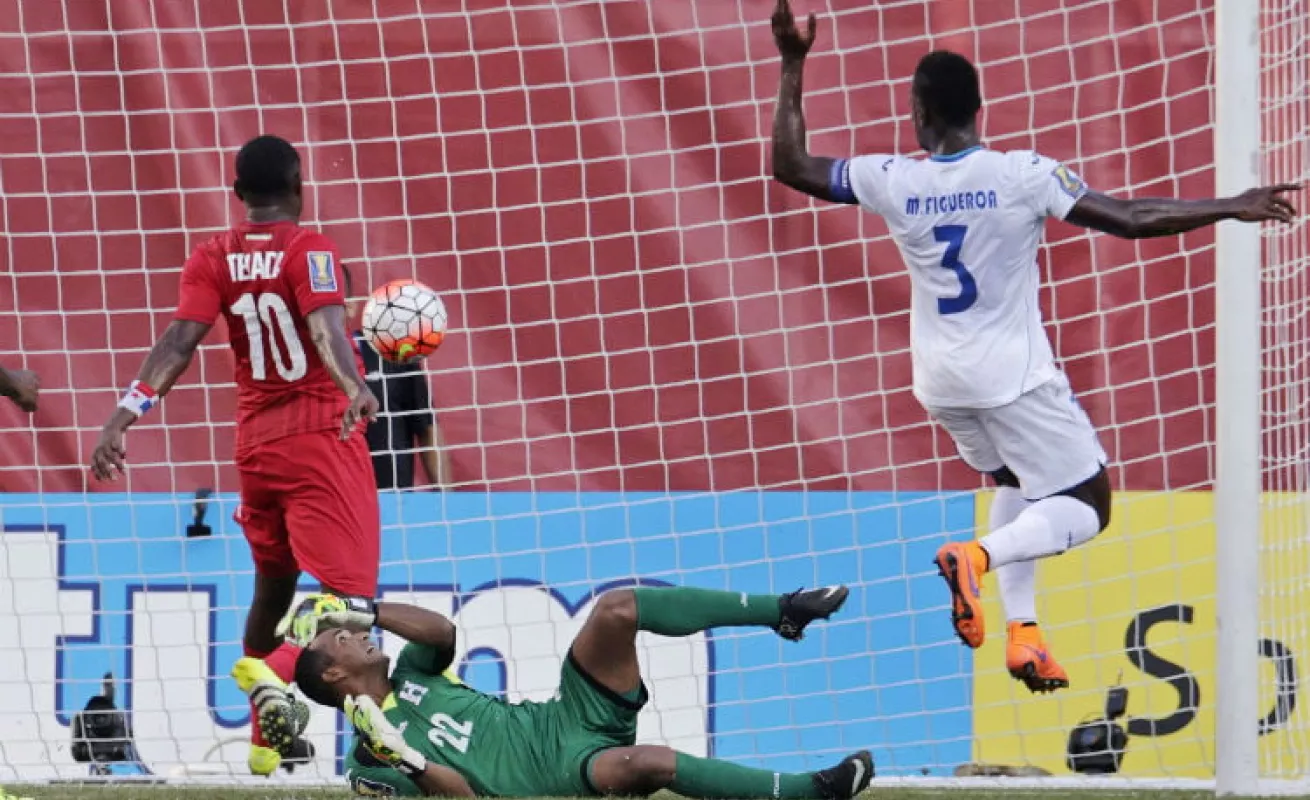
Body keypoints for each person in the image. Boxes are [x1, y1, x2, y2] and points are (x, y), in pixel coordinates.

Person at [768, 0, 1299, 693]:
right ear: (980, 110)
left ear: (920, 117)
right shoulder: (1023, 175)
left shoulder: (894, 178)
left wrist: (792, 60)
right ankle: (976, 558)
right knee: (1088, 503)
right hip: (1013, 378)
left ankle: (1024, 634)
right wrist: (1231, 204)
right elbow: (1131, 219)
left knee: (1017, 481)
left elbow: (792, 165)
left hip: (940, 380)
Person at [89, 134, 383, 774]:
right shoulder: (312, 250)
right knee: (350, 601)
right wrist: (355, 386)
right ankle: (275, 676)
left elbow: (177, 343)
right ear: (300, 186)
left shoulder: (212, 256)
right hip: (318, 438)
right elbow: (325, 329)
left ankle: (262, 736)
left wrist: (122, 417)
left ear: (237, 194)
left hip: (254, 447)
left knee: (272, 588)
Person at [278, 586, 869, 799]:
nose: (358, 634)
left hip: (563, 717)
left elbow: (444, 631)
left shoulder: (415, 670)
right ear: (332, 673)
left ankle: (782, 611)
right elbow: (461, 797)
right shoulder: (365, 760)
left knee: (616, 608)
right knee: (650, 762)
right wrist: (405, 759)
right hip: (563, 769)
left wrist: (368, 606)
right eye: (343, 637)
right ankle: (809, 792)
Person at [344, 268, 451, 490]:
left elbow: (426, 426)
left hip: (392, 501)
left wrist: (446, 503)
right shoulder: (295, 363)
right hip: (329, 501)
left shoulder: (387, 350)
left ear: (350, 307)